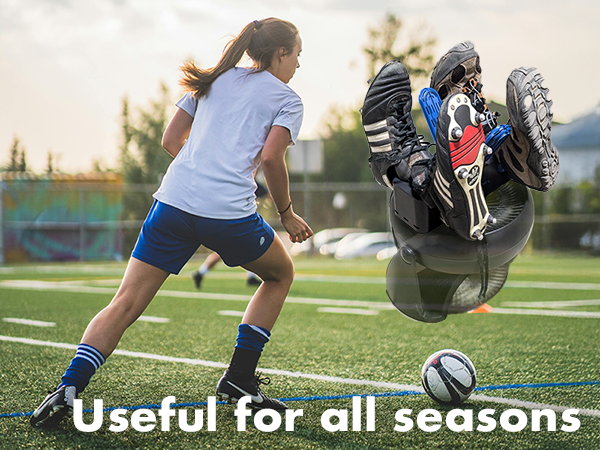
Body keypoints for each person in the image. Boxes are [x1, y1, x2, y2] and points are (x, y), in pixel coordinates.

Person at [30, 17, 312, 427]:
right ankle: (239, 379)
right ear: (281, 53)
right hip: (228, 215)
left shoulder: (212, 78)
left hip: (172, 206)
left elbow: (169, 141)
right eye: (298, 55)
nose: (299, 65)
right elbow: (271, 158)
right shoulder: (288, 98)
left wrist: (199, 172)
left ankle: (67, 390)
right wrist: (286, 213)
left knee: (124, 303)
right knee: (280, 274)